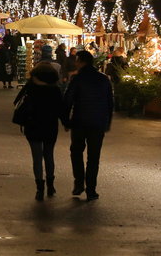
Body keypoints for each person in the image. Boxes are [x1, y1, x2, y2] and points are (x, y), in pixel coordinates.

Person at [63, 50, 114, 201]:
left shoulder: (77, 79)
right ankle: (91, 189)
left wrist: (66, 121)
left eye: (77, 60)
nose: (75, 63)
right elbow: (110, 103)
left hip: (80, 121)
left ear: (81, 61)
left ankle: (79, 183)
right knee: (93, 157)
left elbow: (68, 100)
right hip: (97, 123)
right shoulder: (103, 79)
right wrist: (107, 122)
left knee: (76, 152)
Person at [14, 62, 63, 200]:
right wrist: (66, 123)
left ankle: (39, 188)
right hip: (50, 126)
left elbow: (18, 102)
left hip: (33, 125)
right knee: (49, 155)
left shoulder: (31, 88)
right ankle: (51, 185)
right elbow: (61, 109)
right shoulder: (55, 90)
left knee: (36, 157)